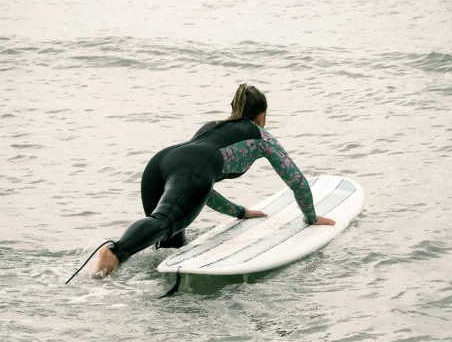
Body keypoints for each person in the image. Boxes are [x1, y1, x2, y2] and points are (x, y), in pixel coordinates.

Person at [93, 84, 335, 276]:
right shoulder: (262, 138)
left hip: (160, 164)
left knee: (170, 245)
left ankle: (114, 272)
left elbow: (198, 187)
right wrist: (311, 217)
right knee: (165, 221)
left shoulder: (211, 127)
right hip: (188, 169)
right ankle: (115, 252)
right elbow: (297, 181)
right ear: (262, 115)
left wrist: (239, 213)